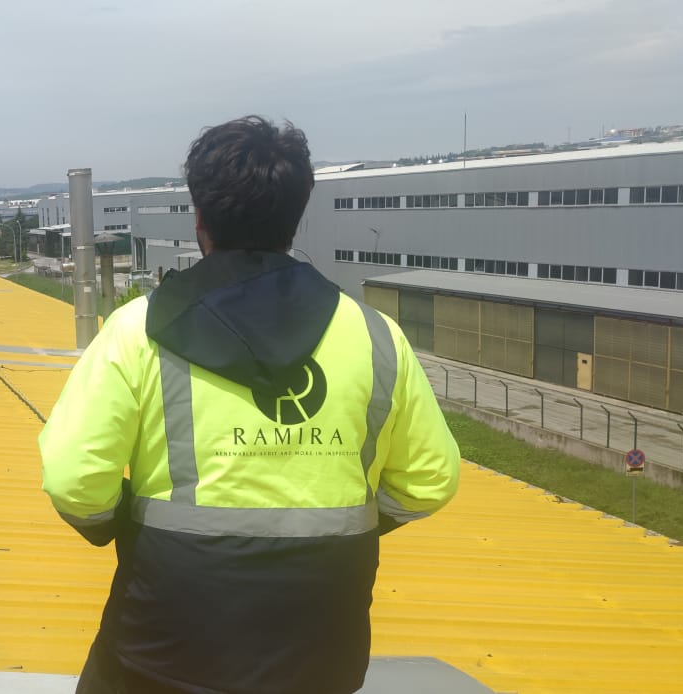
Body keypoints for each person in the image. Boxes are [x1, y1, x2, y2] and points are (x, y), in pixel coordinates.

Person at [39, 116, 460, 694]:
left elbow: (74, 480)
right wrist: (345, 529)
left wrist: (120, 523)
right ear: (296, 216)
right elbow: (431, 480)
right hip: (321, 654)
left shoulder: (137, 330)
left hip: (163, 650)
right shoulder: (376, 336)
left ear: (199, 217)